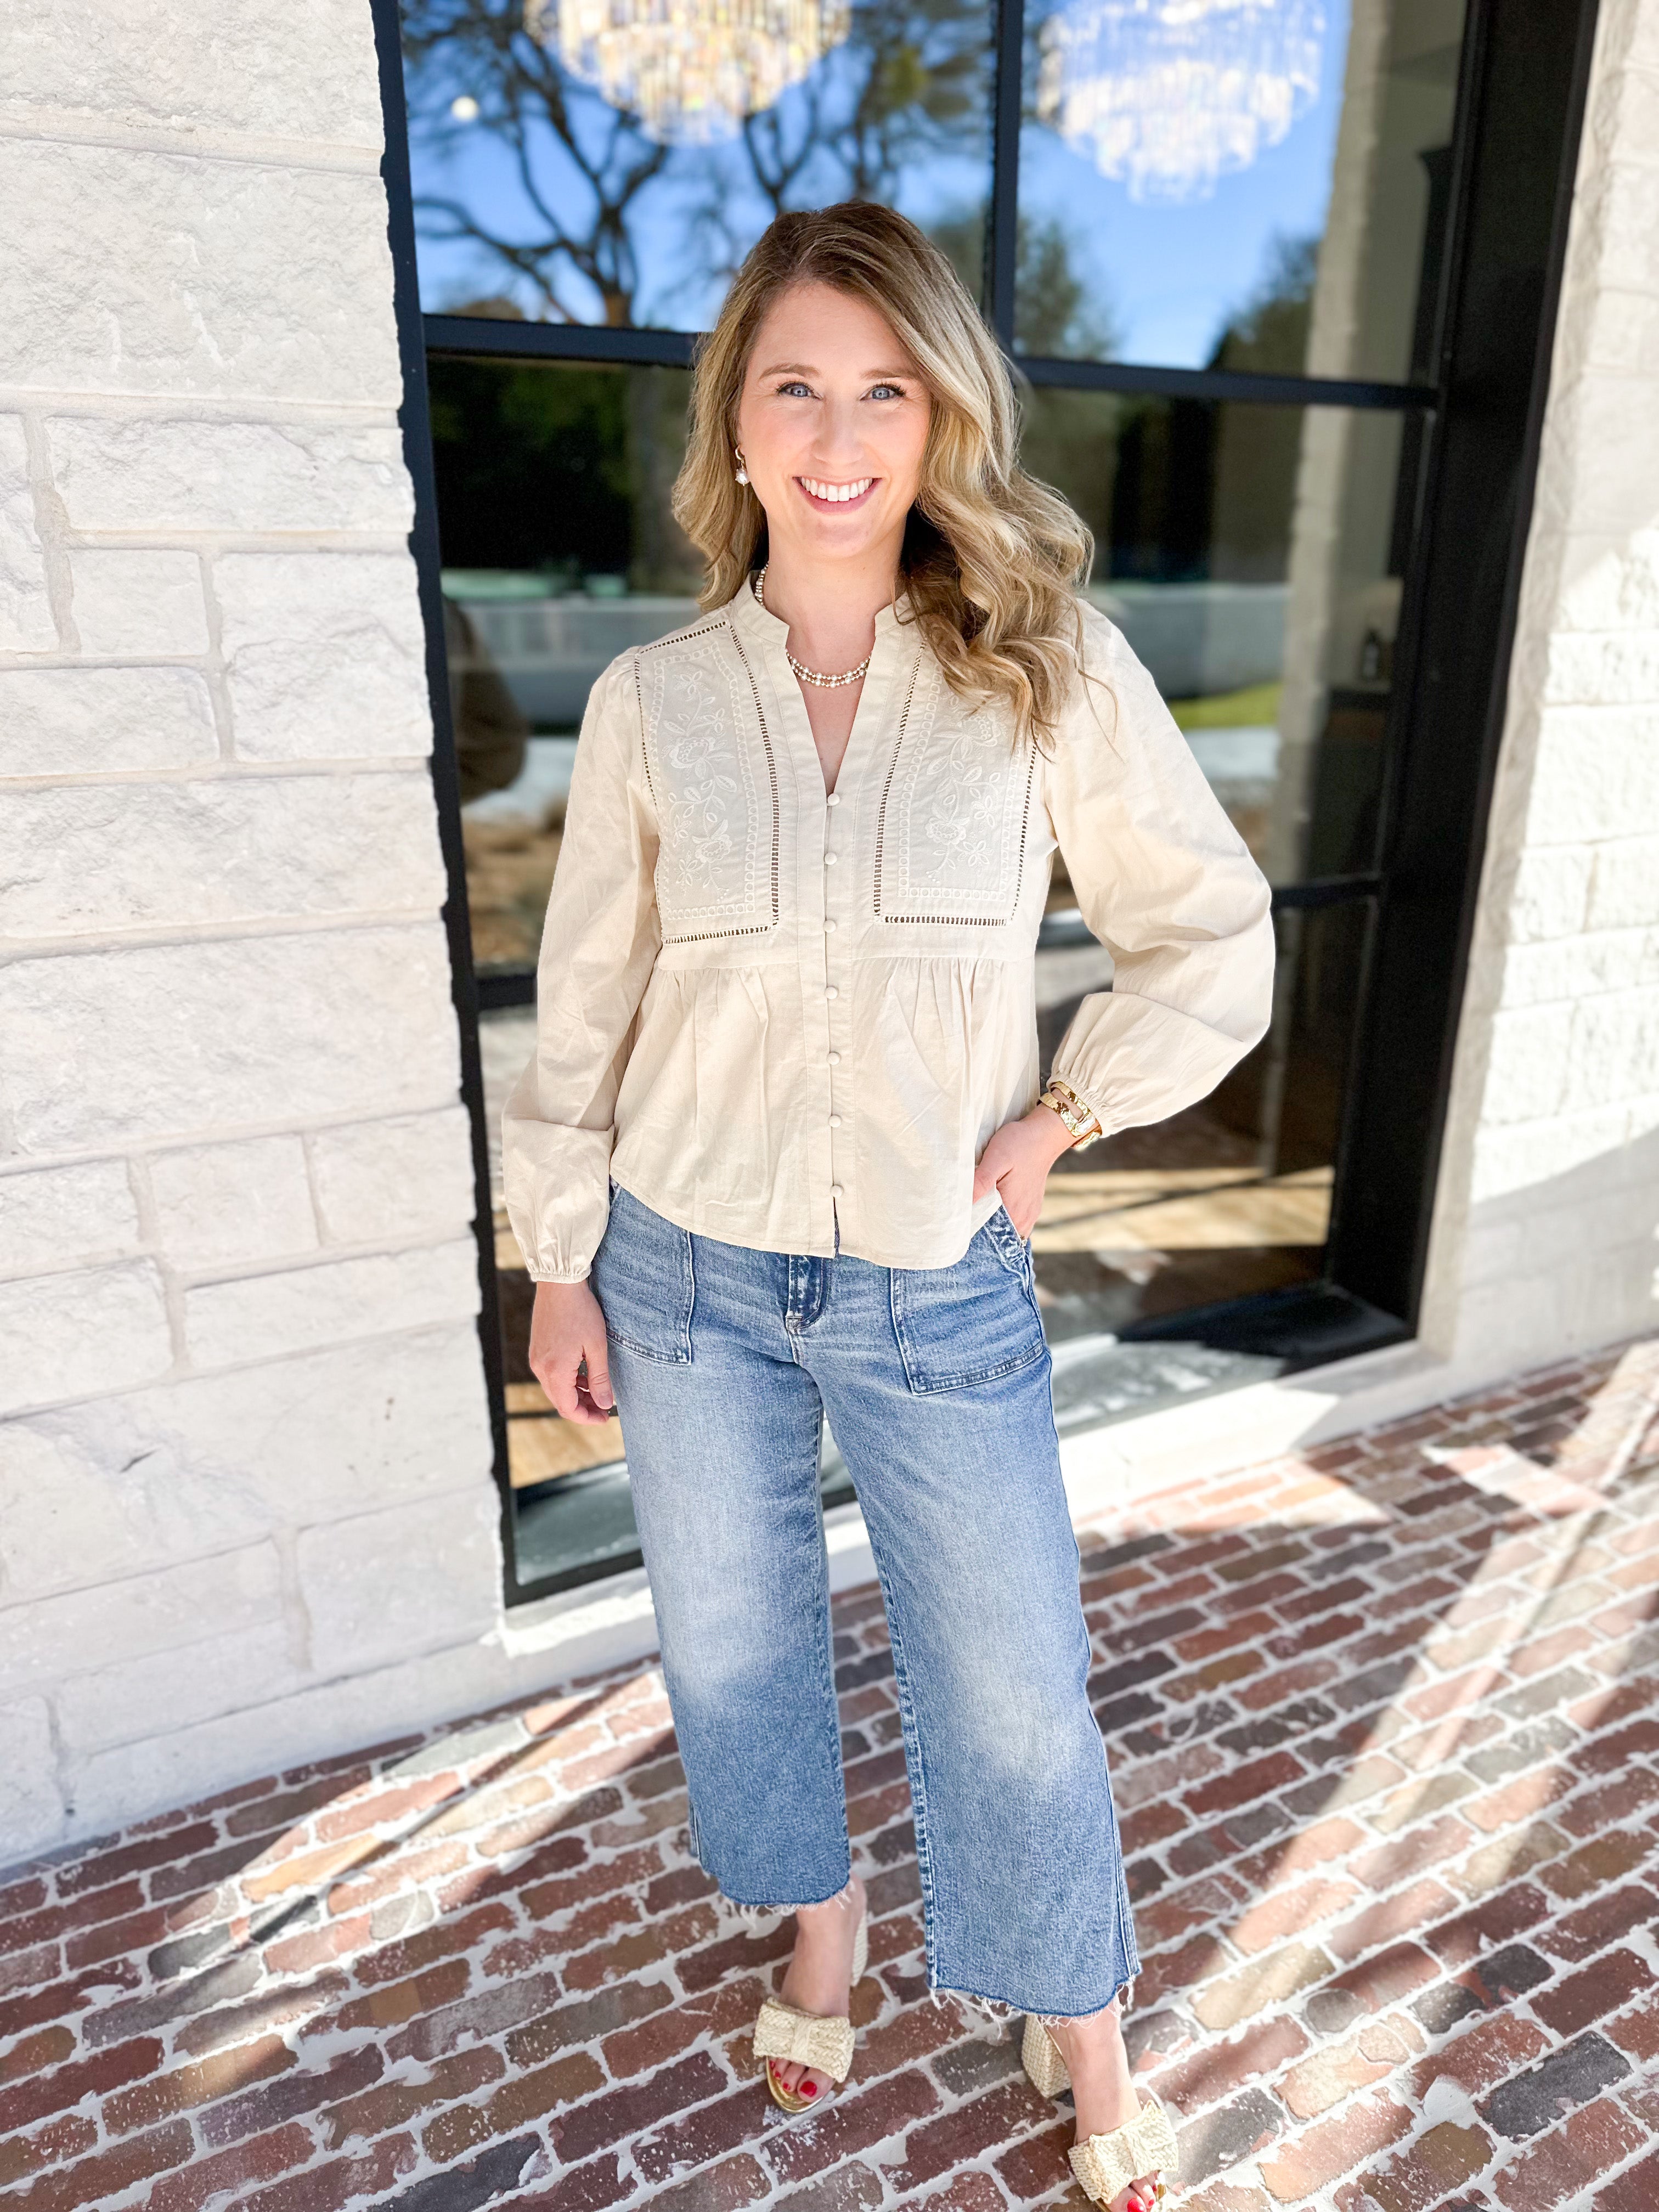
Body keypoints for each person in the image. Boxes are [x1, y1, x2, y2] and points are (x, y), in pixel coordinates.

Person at [504, 202, 1274, 2212]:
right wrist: (557, 1260)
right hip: (681, 1266)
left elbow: (1208, 934)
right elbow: (583, 996)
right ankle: (822, 1931)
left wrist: (1066, 1118)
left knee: (1015, 1681)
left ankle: (1080, 2021)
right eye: (795, 389)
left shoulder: (1042, 671)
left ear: (940, 417)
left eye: (885, 389)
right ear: (736, 427)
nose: (840, 437)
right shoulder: (658, 700)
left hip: (939, 1275)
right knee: (738, 1653)